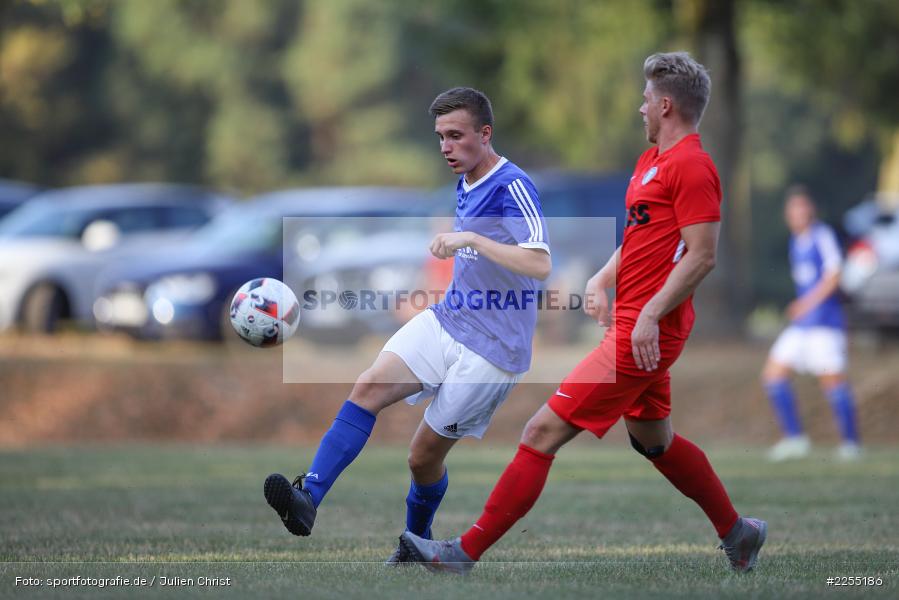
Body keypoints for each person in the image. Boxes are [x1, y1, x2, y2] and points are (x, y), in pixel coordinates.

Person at [400, 52, 767, 575]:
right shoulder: (651, 162)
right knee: (654, 442)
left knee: (539, 433)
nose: (639, 109)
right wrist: (601, 278)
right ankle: (739, 532)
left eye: (645, 100)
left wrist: (648, 315)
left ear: (665, 105)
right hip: (636, 324)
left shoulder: (692, 164)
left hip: (645, 333)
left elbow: (702, 255)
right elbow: (643, 236)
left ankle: (464, 552)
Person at [263, 87, 552, 563]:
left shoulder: (512, 185)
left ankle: (415, 540)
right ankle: (308, 498)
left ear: (485, 133)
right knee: (368, 386)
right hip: (448, 319)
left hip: (493, 352)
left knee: (422, 458)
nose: (446, 147)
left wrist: (470, 238)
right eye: (440, 137)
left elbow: (539, 264)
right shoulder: (464, 179)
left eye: (456, 136)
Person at [762, 186, 861, 462]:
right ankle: (795, 438)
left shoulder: (822, 235)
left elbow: (834, 276)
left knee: (833, 382)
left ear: (811, 210)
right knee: (773, 375)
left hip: (825, 325)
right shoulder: (796, 241)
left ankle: (851, 444)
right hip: (803, 326)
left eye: (803, 207)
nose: (799, 213)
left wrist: (805, 304)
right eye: (793, 209)